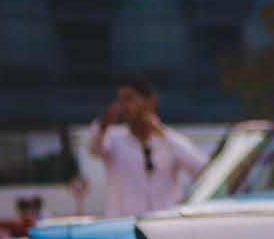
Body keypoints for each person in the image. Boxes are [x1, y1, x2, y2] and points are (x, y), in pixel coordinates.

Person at [86, 73, 206, 216]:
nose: (123, 107)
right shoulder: (112, 137)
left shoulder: (169, 139)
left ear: (150, 101)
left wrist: (162, 133)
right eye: (120, 100)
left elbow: (202, 168)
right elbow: (94, 149)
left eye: (129, 99)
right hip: (124, 226)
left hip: (164, 226)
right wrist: (103, 125)